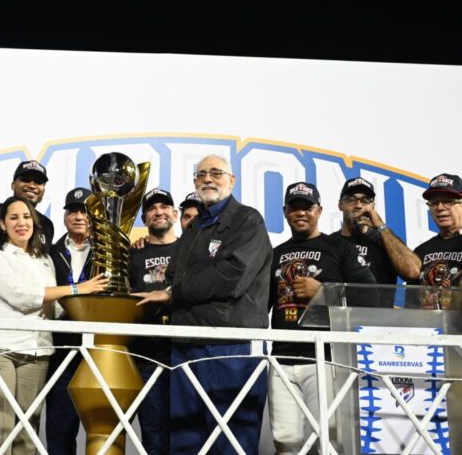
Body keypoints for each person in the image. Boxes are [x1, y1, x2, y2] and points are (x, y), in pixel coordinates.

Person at [137, 154, 272, 454]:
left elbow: (232, 277)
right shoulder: (194, 227)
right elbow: (174, 275)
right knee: (186, 442)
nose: (207, 179)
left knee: (232, 441)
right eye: (201, 174)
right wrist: (182, 286)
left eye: (216, 173)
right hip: (186, 344)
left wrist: (175, 292)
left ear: (232, 180)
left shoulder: (248, 220)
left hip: (231, 345)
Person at [0, 196, 108, 454]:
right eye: (13, 217)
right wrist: (78, 289)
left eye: (26, 217)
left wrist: (91, 304)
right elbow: (21, 296)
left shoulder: (44, 260)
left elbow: (53, 308)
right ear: (2, 224)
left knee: (26, 433)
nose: (21, 223)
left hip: (38, 352)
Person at [268, 182, 376, 454]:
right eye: (294, 208)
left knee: (328, 438)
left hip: (324, 357)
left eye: (307, 207)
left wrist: (324, 292)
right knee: (285, 440)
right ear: (285, 212)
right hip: (281, 357)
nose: (301, 213)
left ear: (319, 210)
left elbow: (371, 297)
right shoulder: (275, 254)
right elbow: (261, 304)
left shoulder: (339, 248)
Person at [129, 188, 180, 455]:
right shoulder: (133, 253)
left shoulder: (190, 249)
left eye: (164, 206)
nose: (159, 212)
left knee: (190, 431)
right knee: (154, 434)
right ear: (144, 219)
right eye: (151, 208)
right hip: (146, 355)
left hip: (185, 351)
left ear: (175, 214)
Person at [45, 187, 92, 455]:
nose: (79, 217)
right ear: (64, 218)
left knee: (103, 426)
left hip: (97, 347)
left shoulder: (107, 251)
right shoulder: (50, 252)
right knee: (60, 426)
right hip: (61, 346)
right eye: (73, 211)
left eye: (85, 211)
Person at [332, 177, 421, 286]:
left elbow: (413, 272)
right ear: (340, 205)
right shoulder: (330, 243)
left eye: (365, 201)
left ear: (372, 206)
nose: (358, 205)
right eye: (351, 200)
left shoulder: (386, 241)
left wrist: (381, 226)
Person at [0, 160, 54, 251]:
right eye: (26, 179)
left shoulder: (47, 225)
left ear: (43, 190)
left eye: (38, 182)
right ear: (13, 185)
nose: (32, 185)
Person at [411, 173, 462, 309]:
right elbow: (411, 301)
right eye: (434, 203)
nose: (440, 208)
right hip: (429, 320)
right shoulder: (421, 251)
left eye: (448, 201)